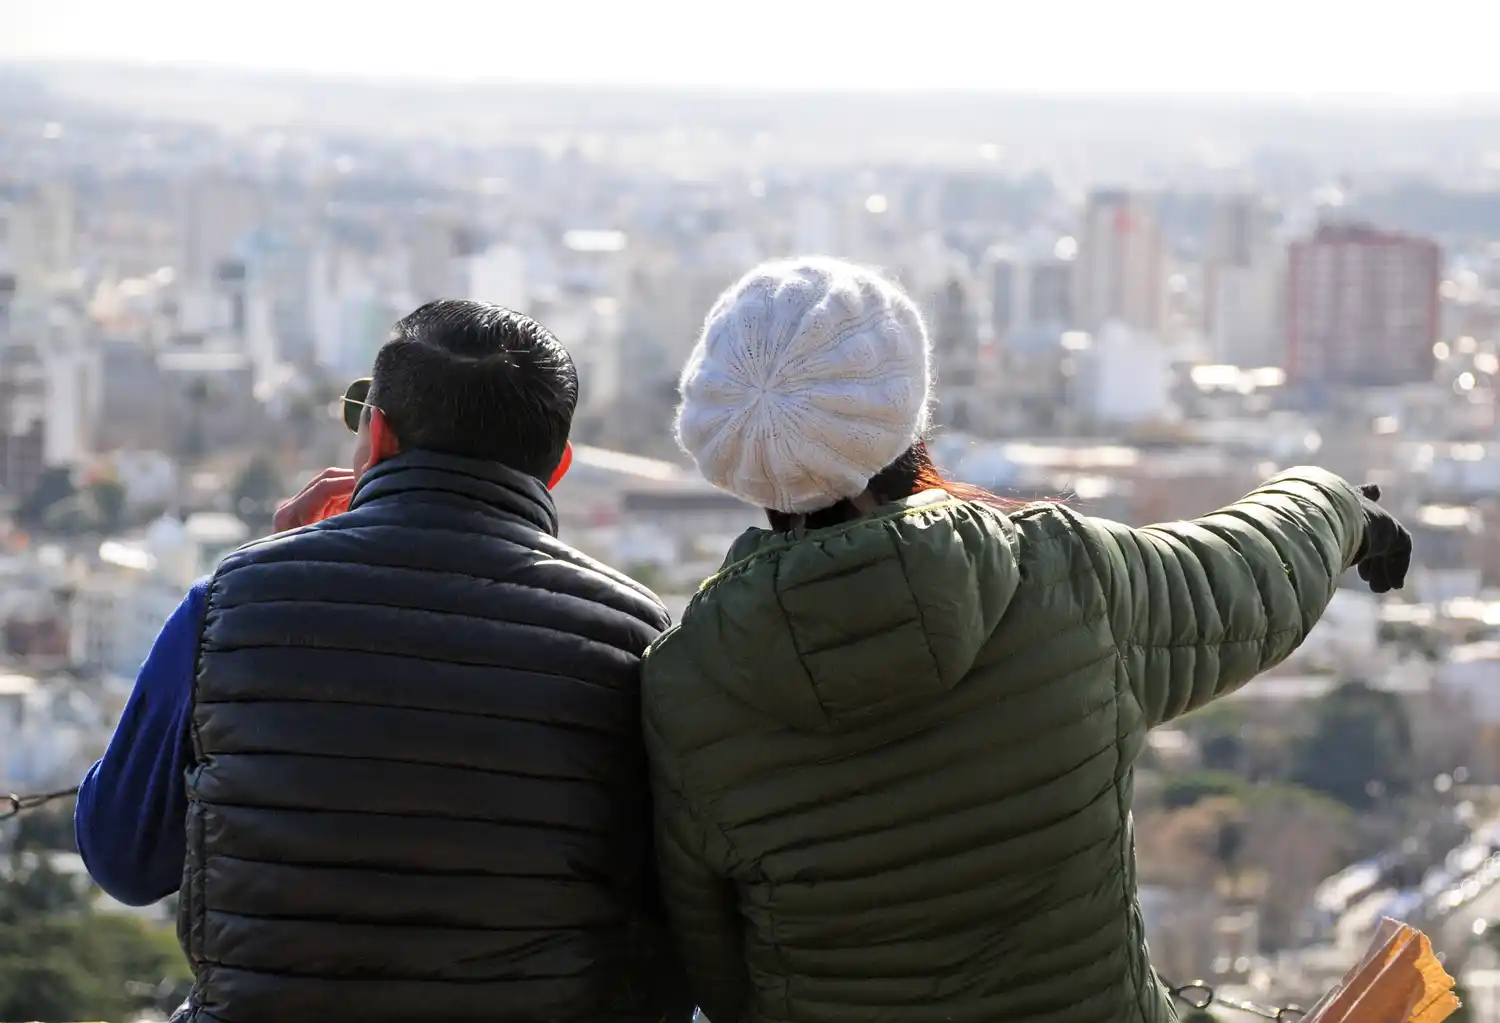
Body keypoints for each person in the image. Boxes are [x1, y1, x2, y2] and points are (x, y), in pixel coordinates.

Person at [642, 258, 1413, 1023]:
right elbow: (1248, 581)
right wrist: (1338, 504)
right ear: (906, 409)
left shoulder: (687, 687)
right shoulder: (1059, 576)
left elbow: (713, 962)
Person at [76, 300, 690, 1023]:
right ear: (556, 466)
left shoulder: (229, 604)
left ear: (379, 433)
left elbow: (122, 858)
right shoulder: (634, 634)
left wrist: (267, 573)